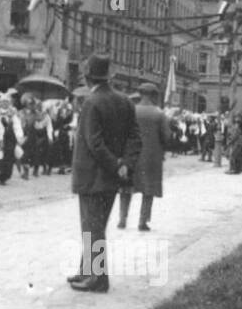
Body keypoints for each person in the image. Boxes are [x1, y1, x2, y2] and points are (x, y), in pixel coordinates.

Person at [68, 54, 140, 293]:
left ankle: (97, 278)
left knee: (91, 227)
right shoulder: (126, 101)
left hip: (91, 175)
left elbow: (94, 143)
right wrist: (124, 164)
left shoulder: (91, 102)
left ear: (88, 78)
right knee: (96, 226)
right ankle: (87, 270)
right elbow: (134, 138)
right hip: (113, 176)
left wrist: (114, 163)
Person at [118, 82, 169, 231]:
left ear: (140, 94)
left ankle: (122, 219)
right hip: (151, 157)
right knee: (148, 189)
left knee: (126, 188)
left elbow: (122, 134)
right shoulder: (159, 114)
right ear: (153, 95)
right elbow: (166, 137)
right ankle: (142, 221)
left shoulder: (131, 111)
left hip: (131, 156)